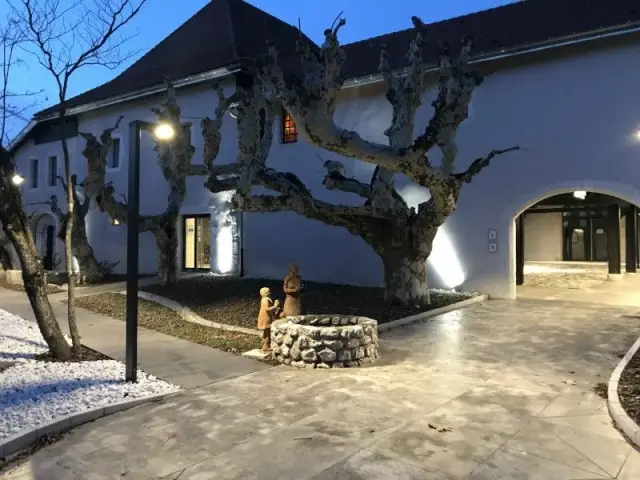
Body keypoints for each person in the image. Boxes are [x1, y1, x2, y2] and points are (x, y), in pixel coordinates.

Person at [257, 287, 279, 352]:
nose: (270, 293)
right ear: (266, 293)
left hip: (266, 316)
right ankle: (265, 346)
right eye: (269, 292)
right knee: (267, 332)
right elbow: (267, 309)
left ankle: (265, 345)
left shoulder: (265, 299)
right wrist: (275, 306)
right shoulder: (265, 300)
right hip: (265, 317)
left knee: (267, 332)